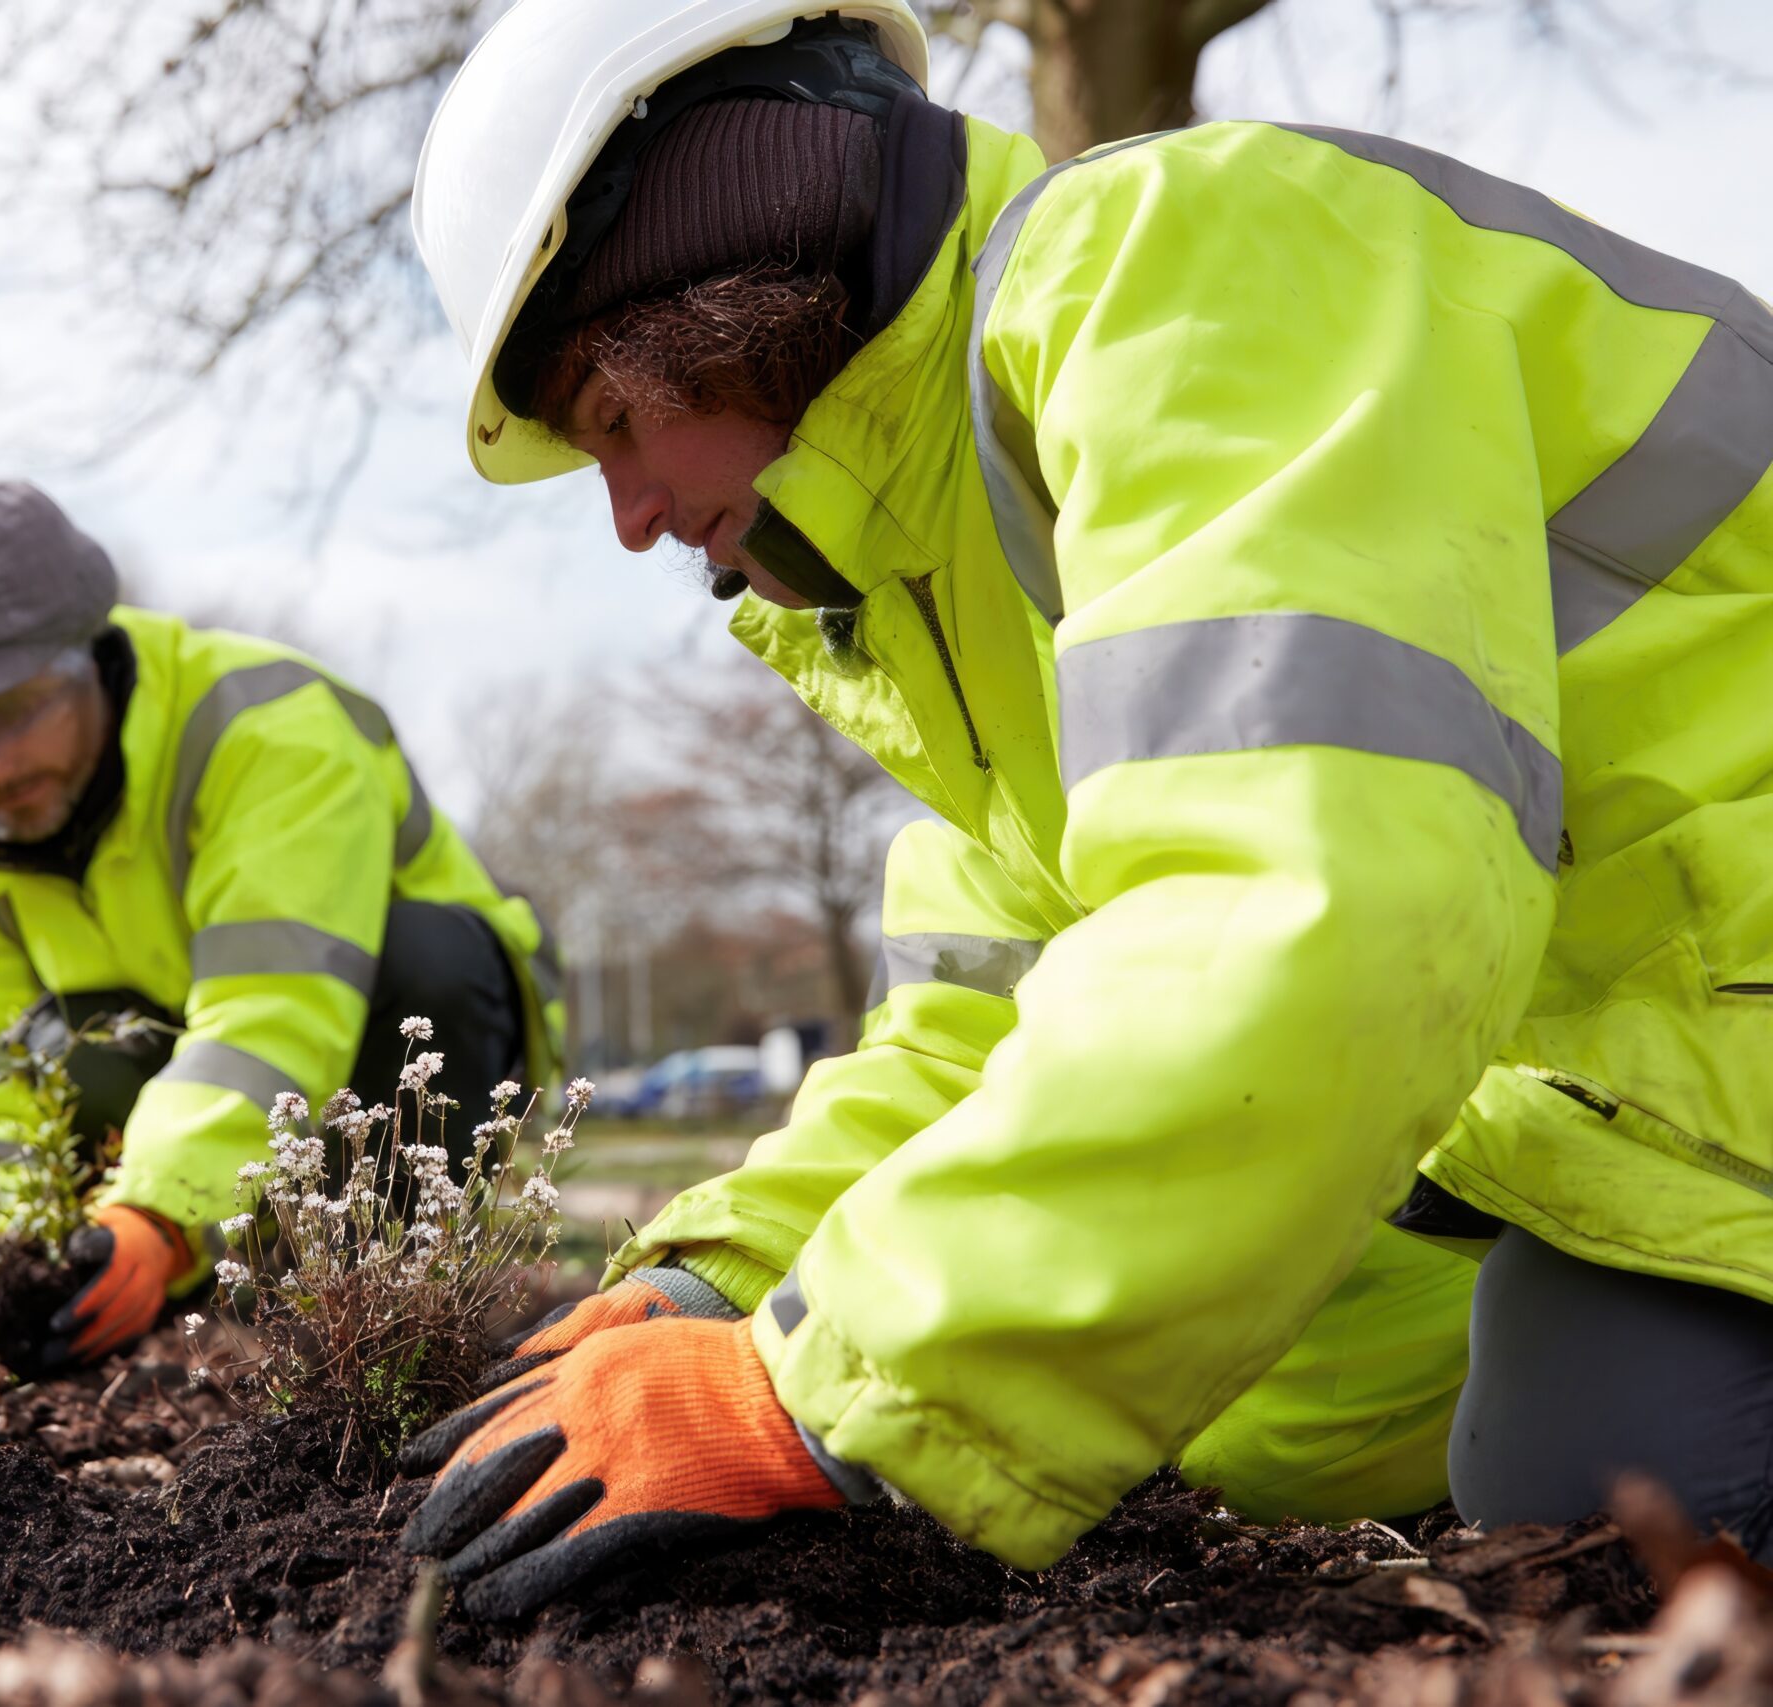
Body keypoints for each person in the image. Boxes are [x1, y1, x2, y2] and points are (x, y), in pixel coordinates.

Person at [392, 0, 1773, 1619]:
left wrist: (810, 1395)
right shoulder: (946, 559)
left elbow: (1321, 911)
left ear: (736, 286)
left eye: (617, 419)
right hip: (1643, 1040)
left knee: (1580, 1487)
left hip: (1716, 1024)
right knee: (1240, 1398)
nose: (627, 517)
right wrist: (731, 1276)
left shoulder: (1178, 265)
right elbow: (989, 1021)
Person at [0, 481, 564, 1376]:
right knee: (59, 1043)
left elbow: (275, 1010)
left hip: (395, 1039)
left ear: (90, 654)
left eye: (11, 713)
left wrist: (160, 1213)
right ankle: (154, 1294)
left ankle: (387, 1300)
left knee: (434, 962)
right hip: (208, 1077)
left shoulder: (269, 729)